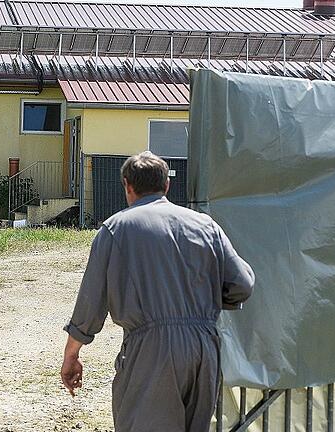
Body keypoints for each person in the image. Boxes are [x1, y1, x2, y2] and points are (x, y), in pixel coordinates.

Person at [61, 151, 255, 432]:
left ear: (127, 185)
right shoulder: (205, 226)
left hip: (151, 349)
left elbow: (90, 305)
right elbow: (243, 284)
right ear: (166, 186)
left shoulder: (116, 229)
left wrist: (71, 355)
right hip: (204, 346)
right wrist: (202, 304)